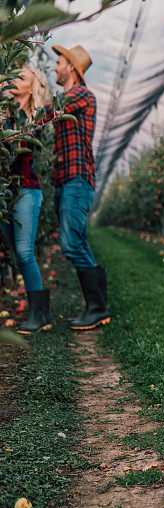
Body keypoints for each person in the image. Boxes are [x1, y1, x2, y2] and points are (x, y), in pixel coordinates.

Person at [46, 45, 110, 330]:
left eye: (58, 62)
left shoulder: (81, 95)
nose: (54, 67)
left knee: (71, 243)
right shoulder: (71, 97)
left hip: (77, 179)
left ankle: (97, 307)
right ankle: (98, 308)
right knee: (78, 241)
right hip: (64, 180)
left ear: (71, 67)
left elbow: (53, 111)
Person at [1, 66, 51, 333]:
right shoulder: (4, 113)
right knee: (18, 254)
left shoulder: (35, 117)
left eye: (21, 77)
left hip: (26, 191)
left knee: (24, 251)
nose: (13, 79)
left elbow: (21, 145)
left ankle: (39, 316)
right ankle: (39, 312)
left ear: (32, 87)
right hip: (4, 192)